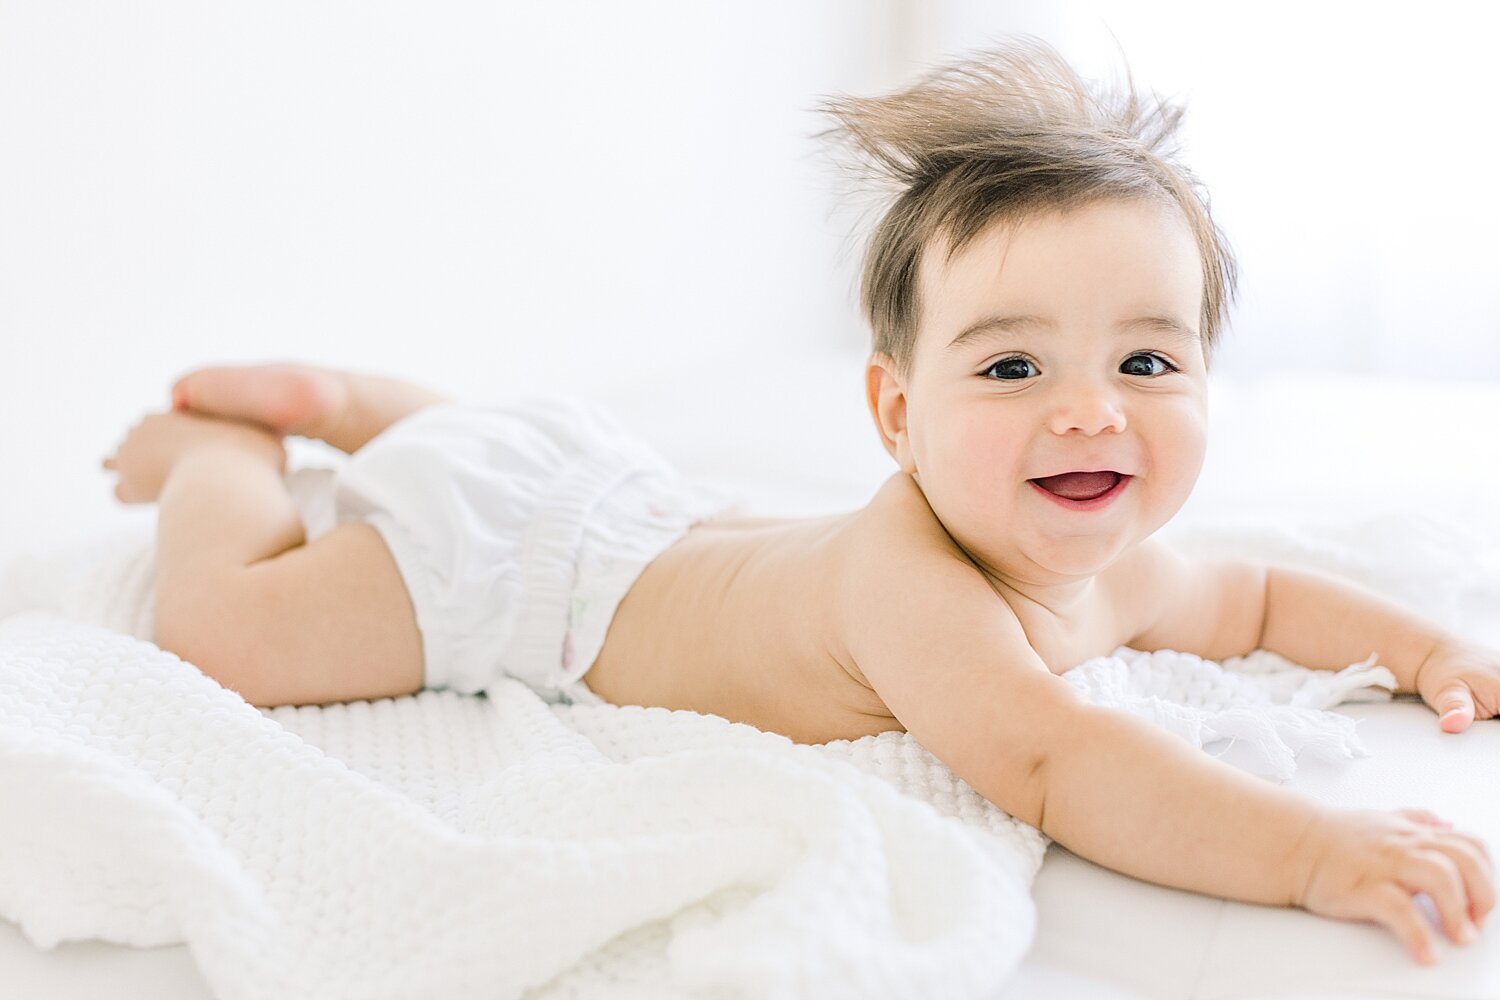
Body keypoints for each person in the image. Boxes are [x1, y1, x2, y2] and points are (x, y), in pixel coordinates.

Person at [101, 36, 1494, 965]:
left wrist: (1429, 648)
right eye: (1012, 364)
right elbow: (1062, 762)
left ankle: (362, 406)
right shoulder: (916, 585)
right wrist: (1315, 853)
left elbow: (1255, 594)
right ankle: (231, 451)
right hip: (521, 574)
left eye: (1146, 359)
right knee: (232, 638)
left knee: (507, 454)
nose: (1090, 409)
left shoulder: (1119, 563)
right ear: (897, 413)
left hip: (622, 496)